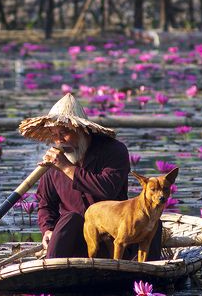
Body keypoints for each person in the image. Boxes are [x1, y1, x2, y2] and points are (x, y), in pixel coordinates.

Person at [18, 93, 162, 260]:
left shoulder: (113, 151)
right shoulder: (52, 164)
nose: (59, 141)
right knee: (70, 218)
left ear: (81, 129)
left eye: (64, 132)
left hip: (117, 238)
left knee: (154, 224)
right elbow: (46, 204)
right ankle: (52, 273)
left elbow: (107, 189)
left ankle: (150, 277)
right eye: (54, 134)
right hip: (77, 242)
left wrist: (67, 168)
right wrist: (48, 229)